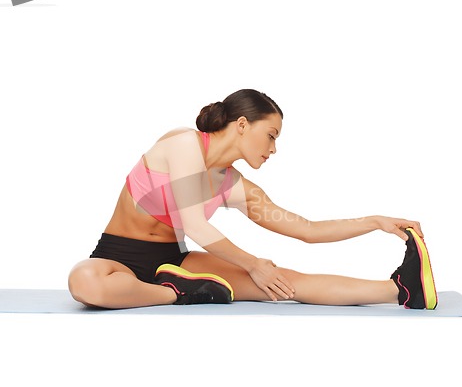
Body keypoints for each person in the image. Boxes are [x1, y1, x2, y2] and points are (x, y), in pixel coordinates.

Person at [68, 89, 437, 310]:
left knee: (285, 283)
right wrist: (252, 262)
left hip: (174, 261)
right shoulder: (183, 144)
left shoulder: (233, 186)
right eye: (271, 135)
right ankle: (176, 294)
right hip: (118, 258)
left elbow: (306, 230)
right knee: (85, 282)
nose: (274, 148)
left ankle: (401, 290)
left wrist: (375, 222)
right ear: (242, 124)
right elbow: (193, 224)